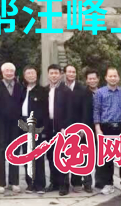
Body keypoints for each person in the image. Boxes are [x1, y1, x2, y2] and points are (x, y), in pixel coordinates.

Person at [93, 66, 121, 196]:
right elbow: (97, 111)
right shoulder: (100, 93)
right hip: (106, 127)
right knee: (107, 159)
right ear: (106, 78)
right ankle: (108, 184)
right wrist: (98, 129)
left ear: (118, 77)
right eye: (110, 76)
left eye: (115, 76)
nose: (113, 78)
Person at [0, 62, 24, 194]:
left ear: (14, 73)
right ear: (2, 72)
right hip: (0, 124)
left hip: (15, 124)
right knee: (0, 152)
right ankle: (1, 183)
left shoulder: (20, 87)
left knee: (14, 152)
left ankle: (14, 182)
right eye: (6, 71)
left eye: (11, 71)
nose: (9, 73)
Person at [64, 64, 93, 193]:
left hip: (80, 128)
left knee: (83, 156)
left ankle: (83, 183)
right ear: (64, 73)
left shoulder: (83, 89)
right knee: (65, 156)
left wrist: (83, 128)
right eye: (69, 72)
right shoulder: (60, 88)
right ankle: (64, 184)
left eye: (73, 72)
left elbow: (87, 110)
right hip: (64, 128)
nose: (71, 74)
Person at [20, 65, 48, 195]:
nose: (31, 75)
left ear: (36, 75)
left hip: (37, 126)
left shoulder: (42, 91)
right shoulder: (22, 90)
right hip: (23, 125)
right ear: (24, 76)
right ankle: (30, 183)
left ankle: (40, 184)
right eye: (28, 73)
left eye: (33, 73)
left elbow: (45, 112)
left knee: (38, 156)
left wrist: (43, 130)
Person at [45, 64, 72, 196]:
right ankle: (54, 182)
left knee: (62, 156)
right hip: (48, 127)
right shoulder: (45, 90)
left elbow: (70, 111)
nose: (54, 75)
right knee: (50, 156)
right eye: (51, 73)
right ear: (48, 75)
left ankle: (64, 184)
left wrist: (65, 127)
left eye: (56, 73)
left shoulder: (66, 91)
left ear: (60, 75)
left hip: (62, 127)